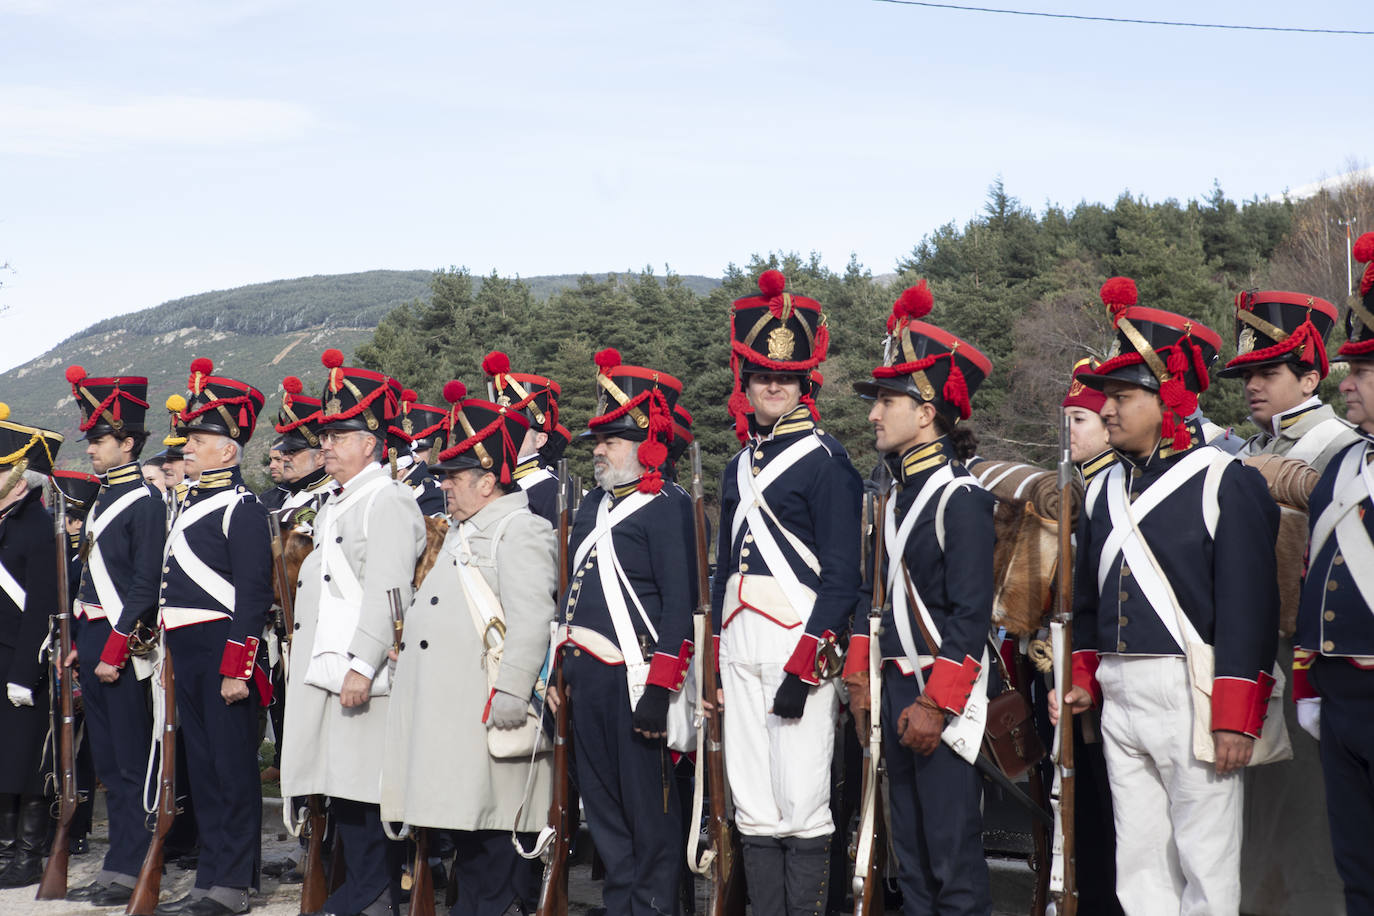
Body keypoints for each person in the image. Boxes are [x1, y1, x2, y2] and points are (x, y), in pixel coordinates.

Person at [1051, 277, 1280, 915]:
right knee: (1141, 865)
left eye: (1123, 396)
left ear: (1168, 397)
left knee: (1205, 866)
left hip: (1193, 695)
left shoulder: (1225, 481)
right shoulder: (1107, 490)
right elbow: (1095, 603)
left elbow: (1249, 607)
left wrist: (1237, 716)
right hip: (1122, 691)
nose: (1107, 411)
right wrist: (1082, 677)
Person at [712, 270, 861, 915]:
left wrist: (806, 667)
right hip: (740, 645)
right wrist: (712, 659)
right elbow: (722, 571)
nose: (775, 385)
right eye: (764, 376)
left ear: (805, 383)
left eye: (788, 376)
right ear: (746, 383)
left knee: (801, 800)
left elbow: (842, 580)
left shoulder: (828, 462)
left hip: (797, 644)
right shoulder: (737, 465)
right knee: (752, 799)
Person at [381, 380, 557, 915]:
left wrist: (511, 690)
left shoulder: (519, 531)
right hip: (448, 714)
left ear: (487, 481)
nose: (446, 488)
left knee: (491, 833)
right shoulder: (458, 532)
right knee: (467, 830)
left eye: (454, 478)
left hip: (485, 711)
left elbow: (532, 620)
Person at [846, 280, 994, 915]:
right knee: (909, 863)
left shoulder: (958, 499)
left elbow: (969, 617)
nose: (874, 414)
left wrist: (937, 704)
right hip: (894, 690)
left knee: (952, 863)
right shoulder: (891, 496)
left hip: (942, 693)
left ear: (928, 409)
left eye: (887, 400)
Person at [1215, 289, 1354, 915]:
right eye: (1246, 374)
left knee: (1308, 828)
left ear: (1310, 373)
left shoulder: (1336, 450)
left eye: (1267, 372)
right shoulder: (1249, 451)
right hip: (1250, 652)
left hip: (1308, 652)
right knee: (1256, 829)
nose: (1251, 386)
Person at [280, 349, 426, 916]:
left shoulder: (386, 500)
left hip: (361, 672)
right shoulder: (341, 502)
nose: (327, 445)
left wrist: (363, 666)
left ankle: (373, 891)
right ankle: (366, 889)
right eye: (325, 435)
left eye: (341, 435)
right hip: (330, 665)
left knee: (366, 788)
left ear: (371, 443)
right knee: (343, 785)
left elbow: (391, 592)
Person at [552, 348, 695, 916]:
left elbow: (680, 604)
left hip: (634, 682)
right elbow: (574, 596)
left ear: (646, 444)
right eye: (597, 440)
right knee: (605, 813)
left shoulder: (668, 506)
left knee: (649, 816)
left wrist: (661, 690)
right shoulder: (591, 505)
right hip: (586, 676)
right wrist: (559, 668)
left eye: (611, 439)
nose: (599, 450)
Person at [152, 358, 274, 916]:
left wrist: (237, 666)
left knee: (230, 769)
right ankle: (210, 876)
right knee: (202, 770)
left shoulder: (241, 507)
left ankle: (232, 881)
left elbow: (252, 596)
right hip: (187, 648)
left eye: (199, 440)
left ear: (229, 450)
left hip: (224, 648)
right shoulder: (192, 502)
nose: (188, 450)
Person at [1294, 232, 1374, 915]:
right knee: (1356, 870)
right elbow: (1310, 576)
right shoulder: (1342, 469)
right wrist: (1307, 680)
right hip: (1340, 694)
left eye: (1364, 371)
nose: (1346, 382)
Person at [63, 365, 162, 907]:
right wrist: (82, 637)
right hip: (94, 639)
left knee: (127, 761)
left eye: (100, 440)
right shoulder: (104, 497)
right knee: (106, 760)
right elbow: (91, 578)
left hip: (119, 649)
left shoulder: (144, 502)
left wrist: (115, 648)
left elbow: (145, 585)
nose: (93, 450)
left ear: (128, 443)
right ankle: (119, 857)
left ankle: (132, 860)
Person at [1058, 357, 1123, 916]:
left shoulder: (1110, 489)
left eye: (1081, 418)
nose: (1070, 431)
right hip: (1081, 673)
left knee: (1108, 819)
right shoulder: (1087, 486)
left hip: (1107, 680)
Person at [0, 409, 63, 889]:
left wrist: (26, 673)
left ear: (22, 480)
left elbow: (41, 605)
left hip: (23, 660)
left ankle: (26, 856)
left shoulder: (37, 526)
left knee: (26, 761)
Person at [481, 352, 562, 526]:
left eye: (517, 431)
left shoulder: (551, 487)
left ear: (540, 440)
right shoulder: (490, 479)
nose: (507, 436)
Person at [270, 376, 337, 525]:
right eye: (284, 452)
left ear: (320, 457)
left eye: (292, 452)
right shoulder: (274, 497)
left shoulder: (331, 497)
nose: (285, 458)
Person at [386, 383, 445, 516]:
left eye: (418, 450)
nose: (414, 456)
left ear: (436, 449)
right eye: (409, 451)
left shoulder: (436, 489)